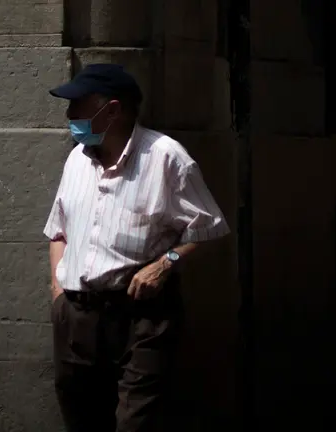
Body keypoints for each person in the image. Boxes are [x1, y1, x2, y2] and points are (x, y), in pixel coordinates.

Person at [43, 63, 230, 432]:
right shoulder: (77, 159)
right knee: (81, 416)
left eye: (78, 106)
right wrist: (58, 290)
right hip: (77, 317)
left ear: (112, 110)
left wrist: (165, 263)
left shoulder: (166, 157)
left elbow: (209, 227)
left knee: (135, 421)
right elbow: (58, 231)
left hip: (141, 317)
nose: (69, 116)